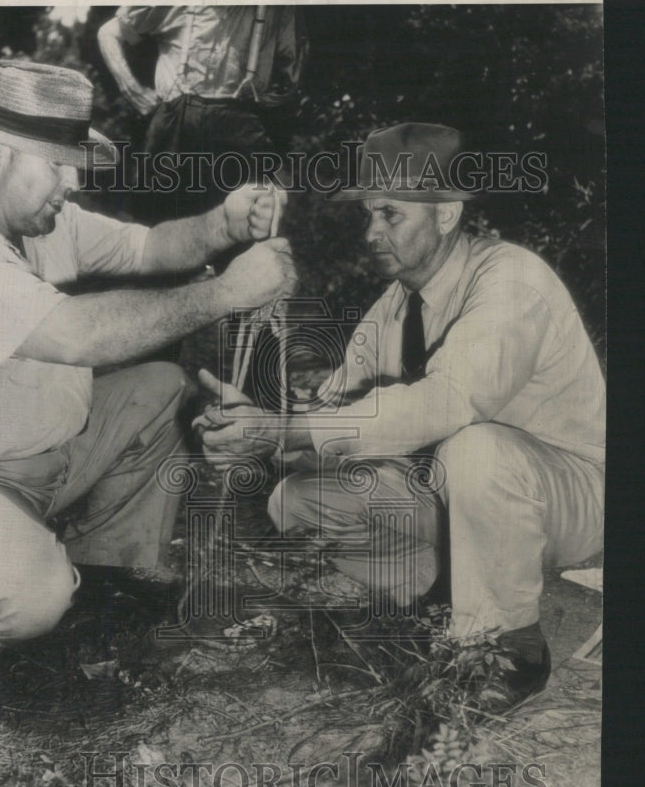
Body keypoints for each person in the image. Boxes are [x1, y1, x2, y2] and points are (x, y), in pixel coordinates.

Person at [0, 59, 297, 675]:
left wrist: (223, 222)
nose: (73, 182)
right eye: (57, 163)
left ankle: (105, 573)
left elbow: (148, 247)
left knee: (162, 389)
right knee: (26, 600)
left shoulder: (41, 221)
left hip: (40, 451)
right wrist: (226, 292)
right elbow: (76, 335)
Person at [197, 123, 605, 709]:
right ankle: (439, 593)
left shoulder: (511, 279)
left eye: (390, 214)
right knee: (296, 498)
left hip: (572, 497)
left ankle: (509, 647)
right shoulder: (392, 308)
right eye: (368, 215)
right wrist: (253, 428)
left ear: (446, 213)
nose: (372, 232)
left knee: (476, 447)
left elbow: (445, 401)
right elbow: (336, 410)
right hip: (460, 493)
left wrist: (283, 428)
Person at [97, 5, 307, 223]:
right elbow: (109, 33)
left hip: (242, 124)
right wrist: (132, 89)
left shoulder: (278, 6)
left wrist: (264, 111)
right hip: (177, 122)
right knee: (158, 225)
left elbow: (291, 64)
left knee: (246, 226)